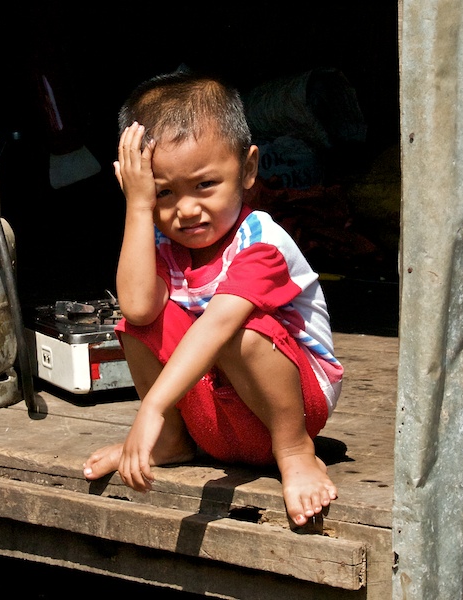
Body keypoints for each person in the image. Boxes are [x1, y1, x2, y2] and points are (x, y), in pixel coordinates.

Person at [83, 70, 344, 527]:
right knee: (137, 321)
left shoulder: (261, 240)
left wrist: (152, 407)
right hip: (220, 417)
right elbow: (139, 308)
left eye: (205, 185)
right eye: (164, 192)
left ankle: (296, 452)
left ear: (247, 170)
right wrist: (139, 207)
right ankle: (170, 442)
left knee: (240, 331)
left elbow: (220, 327)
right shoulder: (162, 247)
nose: (185, 209)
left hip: (293, 407)